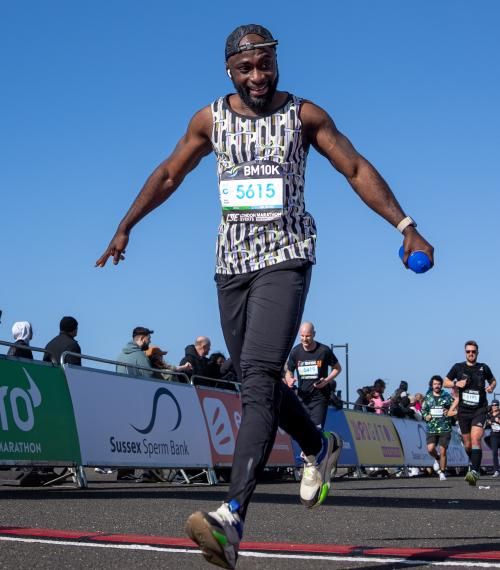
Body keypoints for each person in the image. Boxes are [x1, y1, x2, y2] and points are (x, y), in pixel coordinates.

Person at [95, 23, 434, 569]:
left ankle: (231, 517)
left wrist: (405, 225)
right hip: (231, 267)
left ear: (276, 63)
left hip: (287, 256)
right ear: (229, 69)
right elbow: (168, 174)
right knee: (254, 379)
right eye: (246, 68)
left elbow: (353, 166)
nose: (258, 76)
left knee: (255, 376)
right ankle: (319, 446)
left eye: (266, 65)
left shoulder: (303, 116)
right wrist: (125, 225)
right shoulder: (210, 120)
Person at [443, 340, 497, 486]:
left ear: (477, 352)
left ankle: (474, 471)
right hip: (464, 411)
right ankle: (474, 463)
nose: (471, 354)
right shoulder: (458, 367)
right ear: (465, 352)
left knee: (476, 439)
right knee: (467, 444)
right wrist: (456, 383)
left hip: (479, 409)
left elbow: (493, 380)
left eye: (473, 351)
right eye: (468, 351)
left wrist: (491, 387)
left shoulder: (483, 367)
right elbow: (445, 382)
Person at [285, 322, 341, 428]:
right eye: (302, 336)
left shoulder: (324, 350)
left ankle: (326, 441)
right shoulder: (295, 352)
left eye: (308, 336)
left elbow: (338, 368)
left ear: (314, 334)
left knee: (316, 430)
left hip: (319, 398)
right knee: (304, 431)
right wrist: (289, 379)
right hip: (302, 398)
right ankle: (329, 441)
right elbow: (289, 371)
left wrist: (325, 381)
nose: (304, 339)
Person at [421, 375, 453, 481]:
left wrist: (449, 412)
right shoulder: (428, 397)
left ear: (441, 385)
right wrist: (426, 416)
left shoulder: (447, 396)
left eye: (439, 384)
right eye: (435, 384)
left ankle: (442, 472)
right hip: (432, 428)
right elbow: (423, 410)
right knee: (430, 449)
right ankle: (437, 458)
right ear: (432, 385)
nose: (437, 386)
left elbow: (454, 408)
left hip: (445, 427)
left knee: (443, 451)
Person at [486, 399, 500, 477]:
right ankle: (496, 470)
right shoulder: (489, 414)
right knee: (494, 453)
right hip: (494, 435)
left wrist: (496, 420)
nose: (494, 406)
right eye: (493, 405)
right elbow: (486, 421)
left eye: (496, 405)